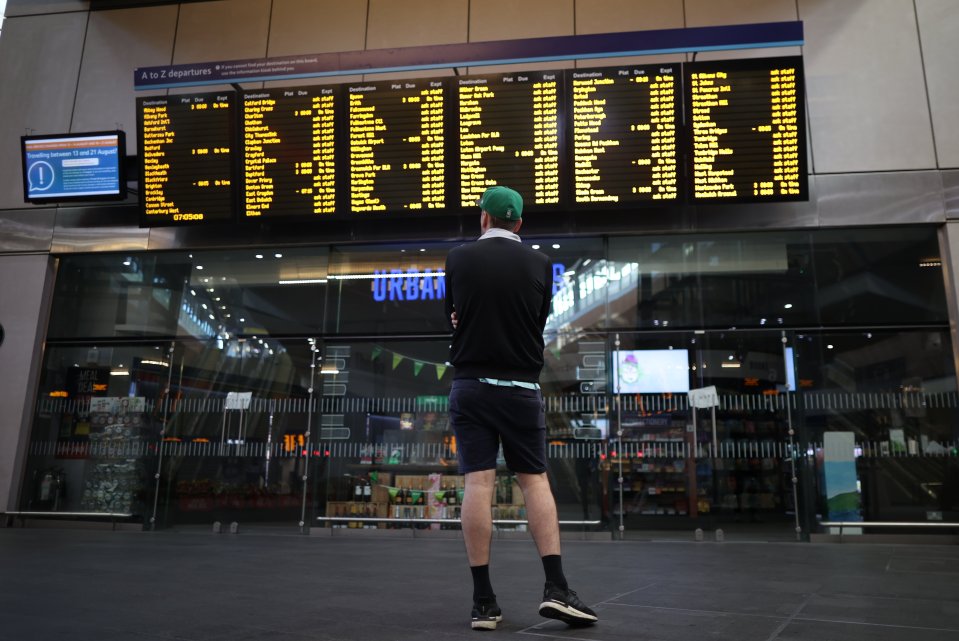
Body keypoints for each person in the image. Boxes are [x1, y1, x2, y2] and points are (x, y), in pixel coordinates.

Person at [444, 186, 598, 631]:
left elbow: (451, 315)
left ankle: (484, 603)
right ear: (519, 224)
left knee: (479, 483)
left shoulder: (458, 259)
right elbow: (537, 320)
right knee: (534, 483)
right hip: (520, 388)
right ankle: (556, 587)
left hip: (471, 385)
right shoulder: (539, 263)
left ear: (483, 220)